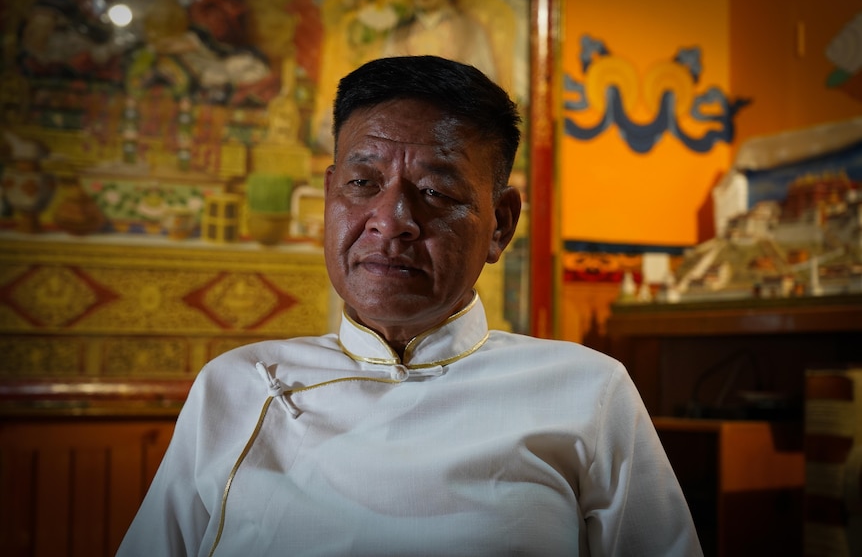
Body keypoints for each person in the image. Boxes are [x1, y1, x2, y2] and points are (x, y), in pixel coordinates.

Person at [117, 55, 702, 556]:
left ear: (500, 225)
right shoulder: (237, 386)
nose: (391, 222)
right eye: (363, 184)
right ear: (328, 197)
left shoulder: (588, 393)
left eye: (434, 191)